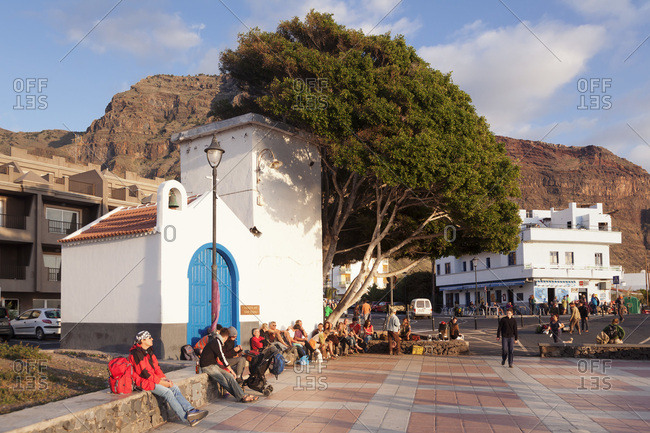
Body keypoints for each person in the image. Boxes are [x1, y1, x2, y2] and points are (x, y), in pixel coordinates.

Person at [129, 331, 208, 427]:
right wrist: (161, 382)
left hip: (152, 379)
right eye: (149, 338)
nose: (152, 339)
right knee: (168, 393)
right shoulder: (136, 354)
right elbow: (145, 374)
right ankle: (187, 418)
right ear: (143, 340)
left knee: (174, 387)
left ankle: (190, 410)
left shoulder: (149, 351)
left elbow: (156, 367)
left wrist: (164, 379)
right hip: (143, 382)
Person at [199, 327, 258, 403]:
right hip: (207, 367)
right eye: (226, 338)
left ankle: (241, 395)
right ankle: (242, 396)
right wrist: (232, 371)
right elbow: (222, 357)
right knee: (223, 380)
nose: (226, 340)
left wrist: (225, 368)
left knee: (229, 377)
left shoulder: (217, 341)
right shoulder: (216, 342)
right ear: (226, 337)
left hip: (213, 365)